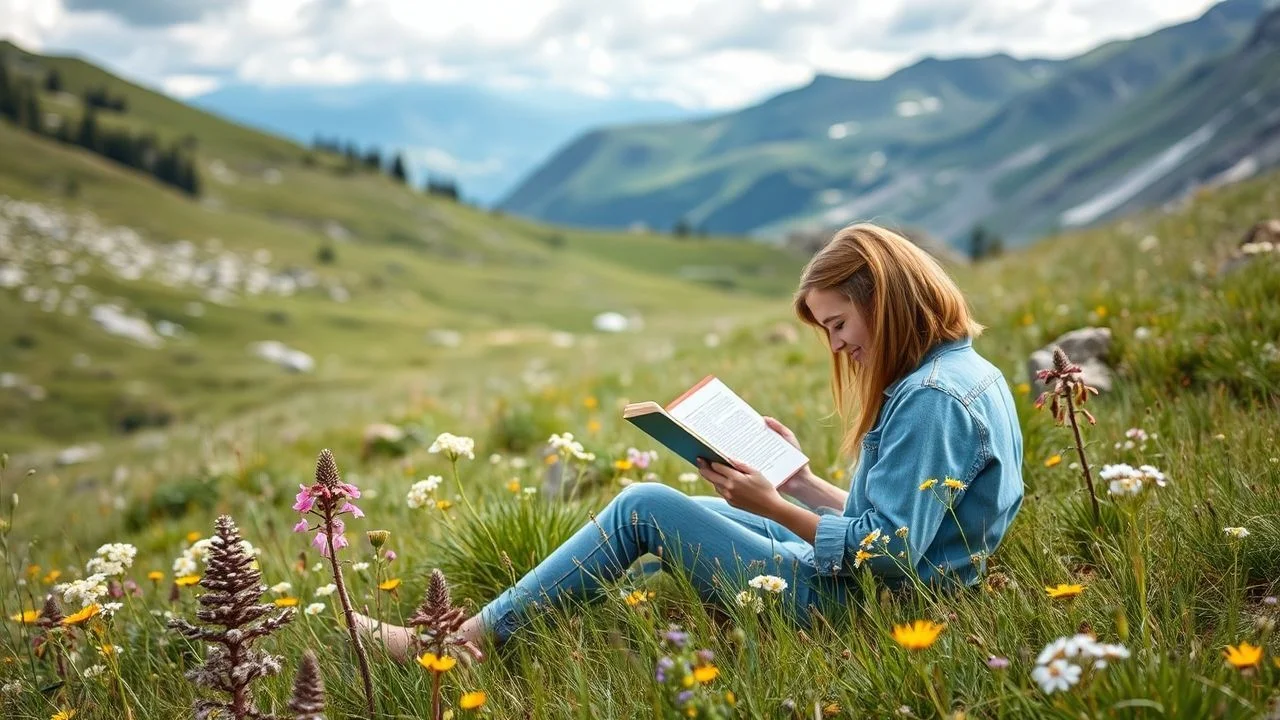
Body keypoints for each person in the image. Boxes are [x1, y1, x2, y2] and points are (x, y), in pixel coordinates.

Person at [354, 222, 1025, 663]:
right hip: (888, 590)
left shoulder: (930, 400)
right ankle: (531, 628)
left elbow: (890, 555)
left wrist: (775, 509)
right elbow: (901, 523)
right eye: (827, 330)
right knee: (668, 510)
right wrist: (797, 483)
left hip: (872, 610)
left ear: (886, 299)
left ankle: (458, 645)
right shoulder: (958, 375)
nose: (840, 345)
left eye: (841, 322)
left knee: (643, 505)